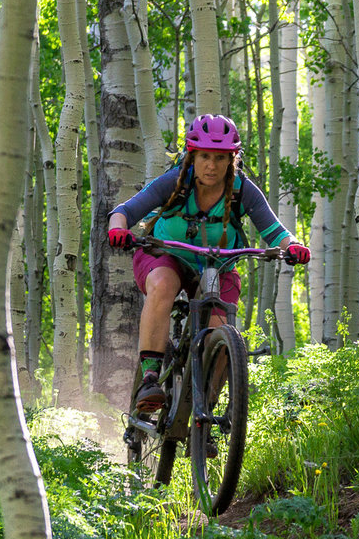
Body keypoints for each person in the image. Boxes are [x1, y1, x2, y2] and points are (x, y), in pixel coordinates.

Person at [107, 113, 310, 412]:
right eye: (204, 156)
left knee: (222, 330)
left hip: (217, 266)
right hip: (166, 257)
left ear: (232, 159)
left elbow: (275, 230)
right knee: (163, 285)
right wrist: (117, 229)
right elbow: (125, 210)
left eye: (220, 157)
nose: (211, 165)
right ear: (192, 155)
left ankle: (206, 414)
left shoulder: (242, 191)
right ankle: (150, 376)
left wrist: (292, 246)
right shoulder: (174, 182)